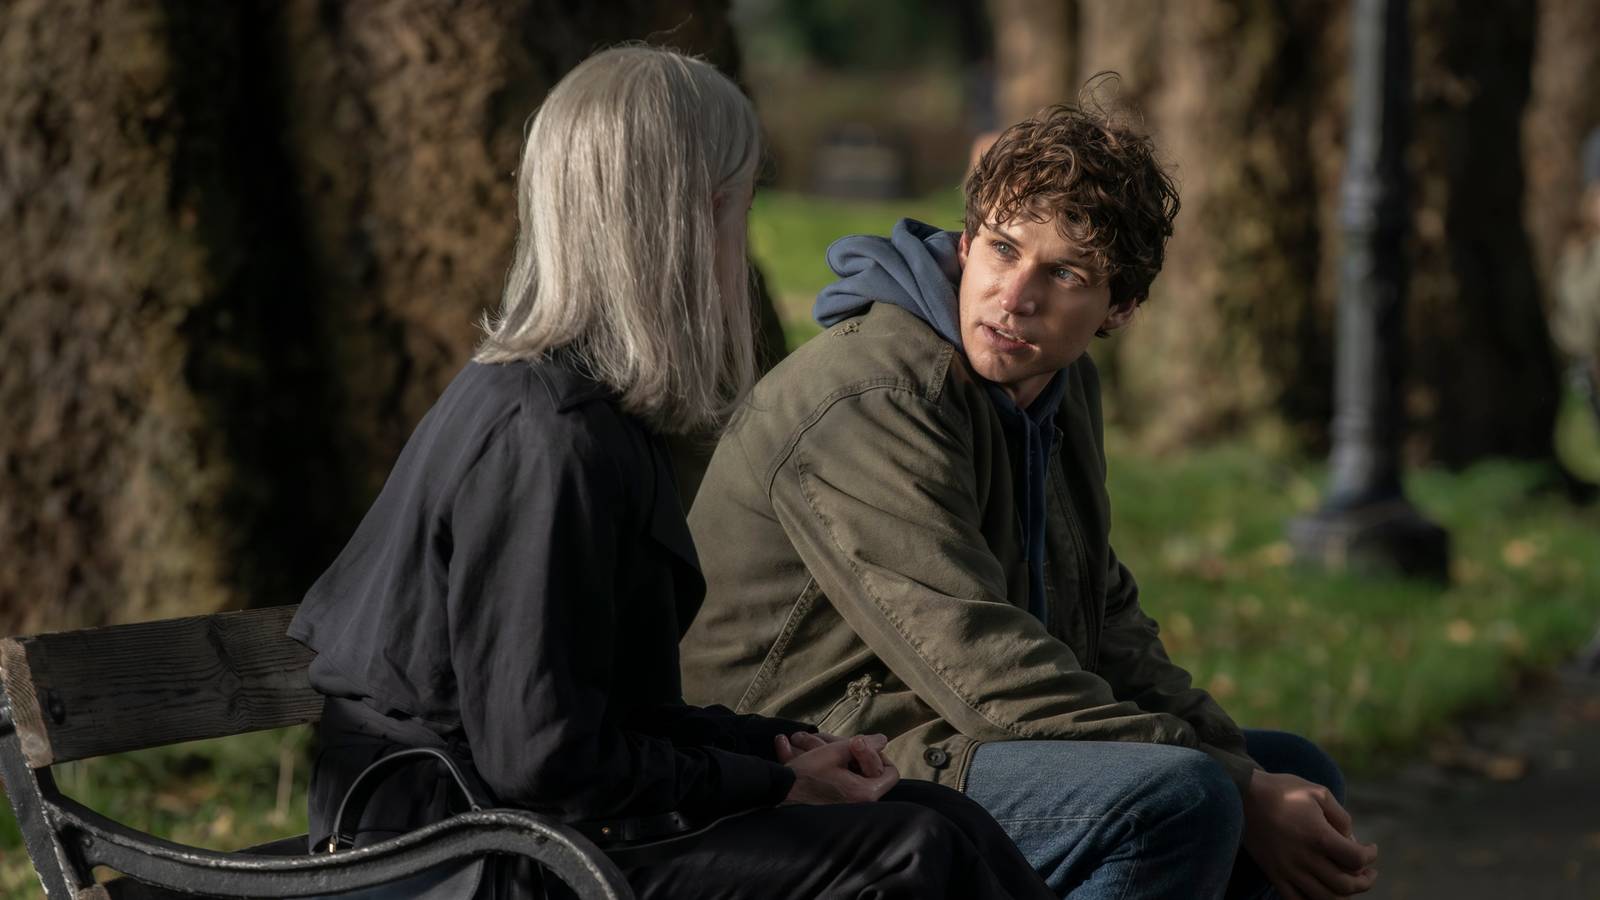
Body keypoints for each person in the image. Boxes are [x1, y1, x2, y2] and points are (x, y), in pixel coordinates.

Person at [287, 46, 1052, 900]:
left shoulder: (593, 409)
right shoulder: (546, 438)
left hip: (523, 822)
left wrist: (773, 751)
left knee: (940, 817)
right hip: (448, 849)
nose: (743, 245)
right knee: (910, 852)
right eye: (741, 205)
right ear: (687, 221)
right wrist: (773, 785)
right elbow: (544, 756)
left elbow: (598, 713)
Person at [679, 101, 1380, 900]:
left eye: (1065, 274)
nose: (1015, 296)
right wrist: (1234, 782)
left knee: (1296, 772)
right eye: (1004, 251)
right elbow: (973, 657)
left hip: (935, 722)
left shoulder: (1057, 382)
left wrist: (1249, 771)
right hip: (809, 751)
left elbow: (1102, 613)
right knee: (1180, 799)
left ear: (1119, 309)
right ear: (967, 244)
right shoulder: (872, 394)